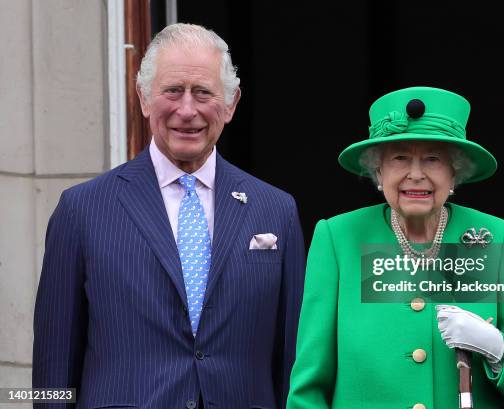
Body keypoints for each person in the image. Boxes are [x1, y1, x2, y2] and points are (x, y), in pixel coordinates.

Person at [33, 23, 305, 409]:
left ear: (231, 104)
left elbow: (293, 359)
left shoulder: (277, 210)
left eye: (203, 93)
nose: (187, 109)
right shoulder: (81, 210)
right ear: (144, 98)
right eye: (173, 91)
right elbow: (52, 365)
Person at [286, 87, 504, 408]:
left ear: (455, 171)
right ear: (378, 171)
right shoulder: (338, 238)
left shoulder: (495, 236)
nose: (416, 174)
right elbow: (309, 388)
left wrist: (498, 349)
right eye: (400, 157)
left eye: (433, 159)